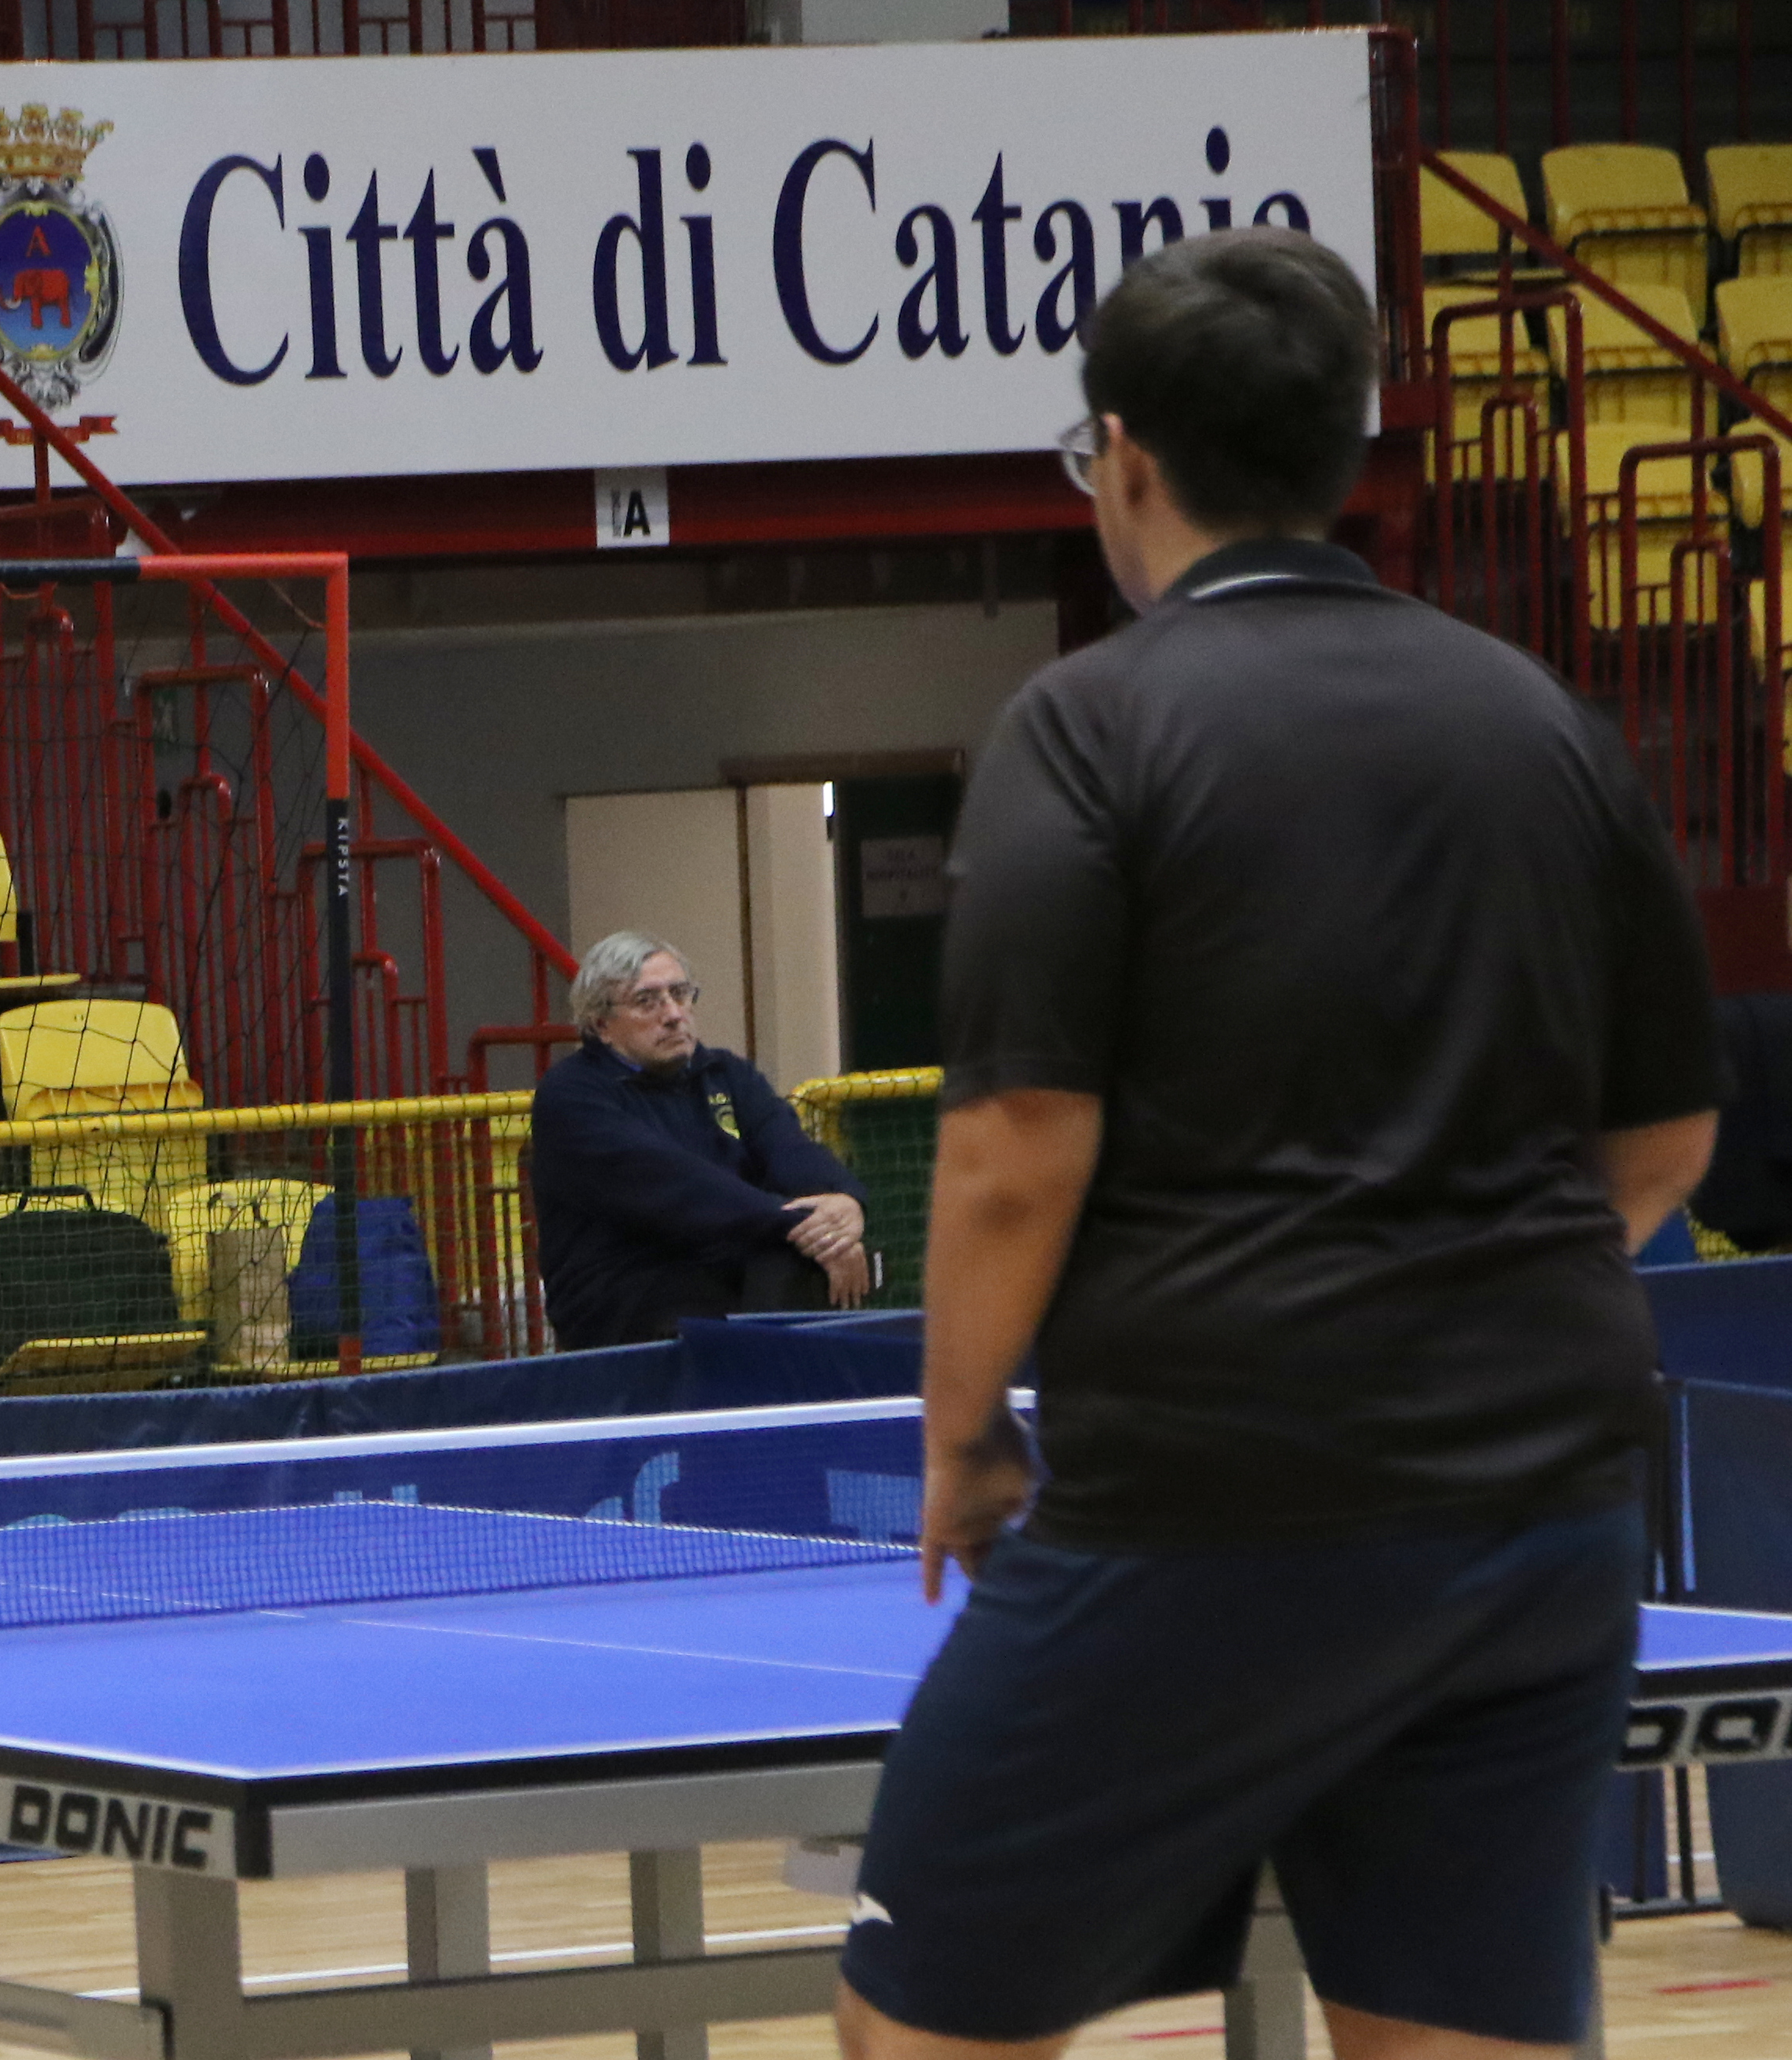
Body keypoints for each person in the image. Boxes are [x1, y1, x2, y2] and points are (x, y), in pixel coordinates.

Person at [836, 228, 1723, 2060]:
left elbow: (1014, 1147)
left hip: (1210, 1499)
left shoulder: (1086, 728)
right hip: (1538, 1504)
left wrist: (961, 1439)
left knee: (917, 2030)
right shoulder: (1544, 724)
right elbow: (1665, 1136)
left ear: (1123, 457)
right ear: (1344, 448)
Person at [530, 930, 869, 1347]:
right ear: (602, 1025)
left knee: (802, 1263)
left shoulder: (727, 1074)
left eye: (680, 994)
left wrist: (845, 1202)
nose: (673, 1014)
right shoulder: (571, 1096)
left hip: (723, 1269)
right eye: (647, 1001)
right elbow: (679, 1188)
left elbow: (790, 1150)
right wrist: (807, 1228)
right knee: (781, 1261)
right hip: (628, 1296)